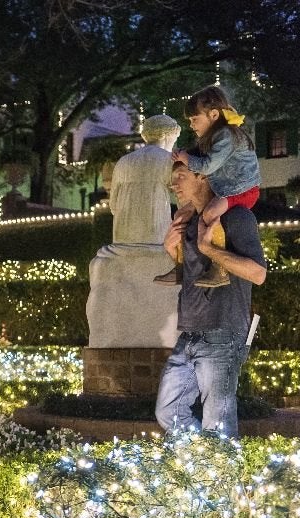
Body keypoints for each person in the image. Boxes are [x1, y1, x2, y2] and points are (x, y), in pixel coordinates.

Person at [154, 158, 266, 438]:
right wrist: (172, 251)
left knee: (218, 424)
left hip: (224, 331)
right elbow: (192, 275)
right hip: (190, 332)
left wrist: (208, 248)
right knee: (168, 412)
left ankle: (221, 476)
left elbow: (257, 273)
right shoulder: (190, 221)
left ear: (202, 176)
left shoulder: (236, 217)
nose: (173, 183)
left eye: (180, 175)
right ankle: (201, 466)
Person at [154, 86, 261, 288]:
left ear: (213, 115)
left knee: (210, 213)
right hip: (225, 189)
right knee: (180, 216)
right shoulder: (213, 138)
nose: (192, 125)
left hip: (241, 190)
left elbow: (208, 165)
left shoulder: (226, 135)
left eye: (195, 119)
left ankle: (219, 269)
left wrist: (186, 158)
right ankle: (180, 266)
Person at [108, 114, 181, 245]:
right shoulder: (169, 160)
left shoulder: (123, 161)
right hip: (156, 239)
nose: (174, 144)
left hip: (122, 242)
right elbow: (183, 202)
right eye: (174, 139)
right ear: (165, 135)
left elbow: (113, 206)